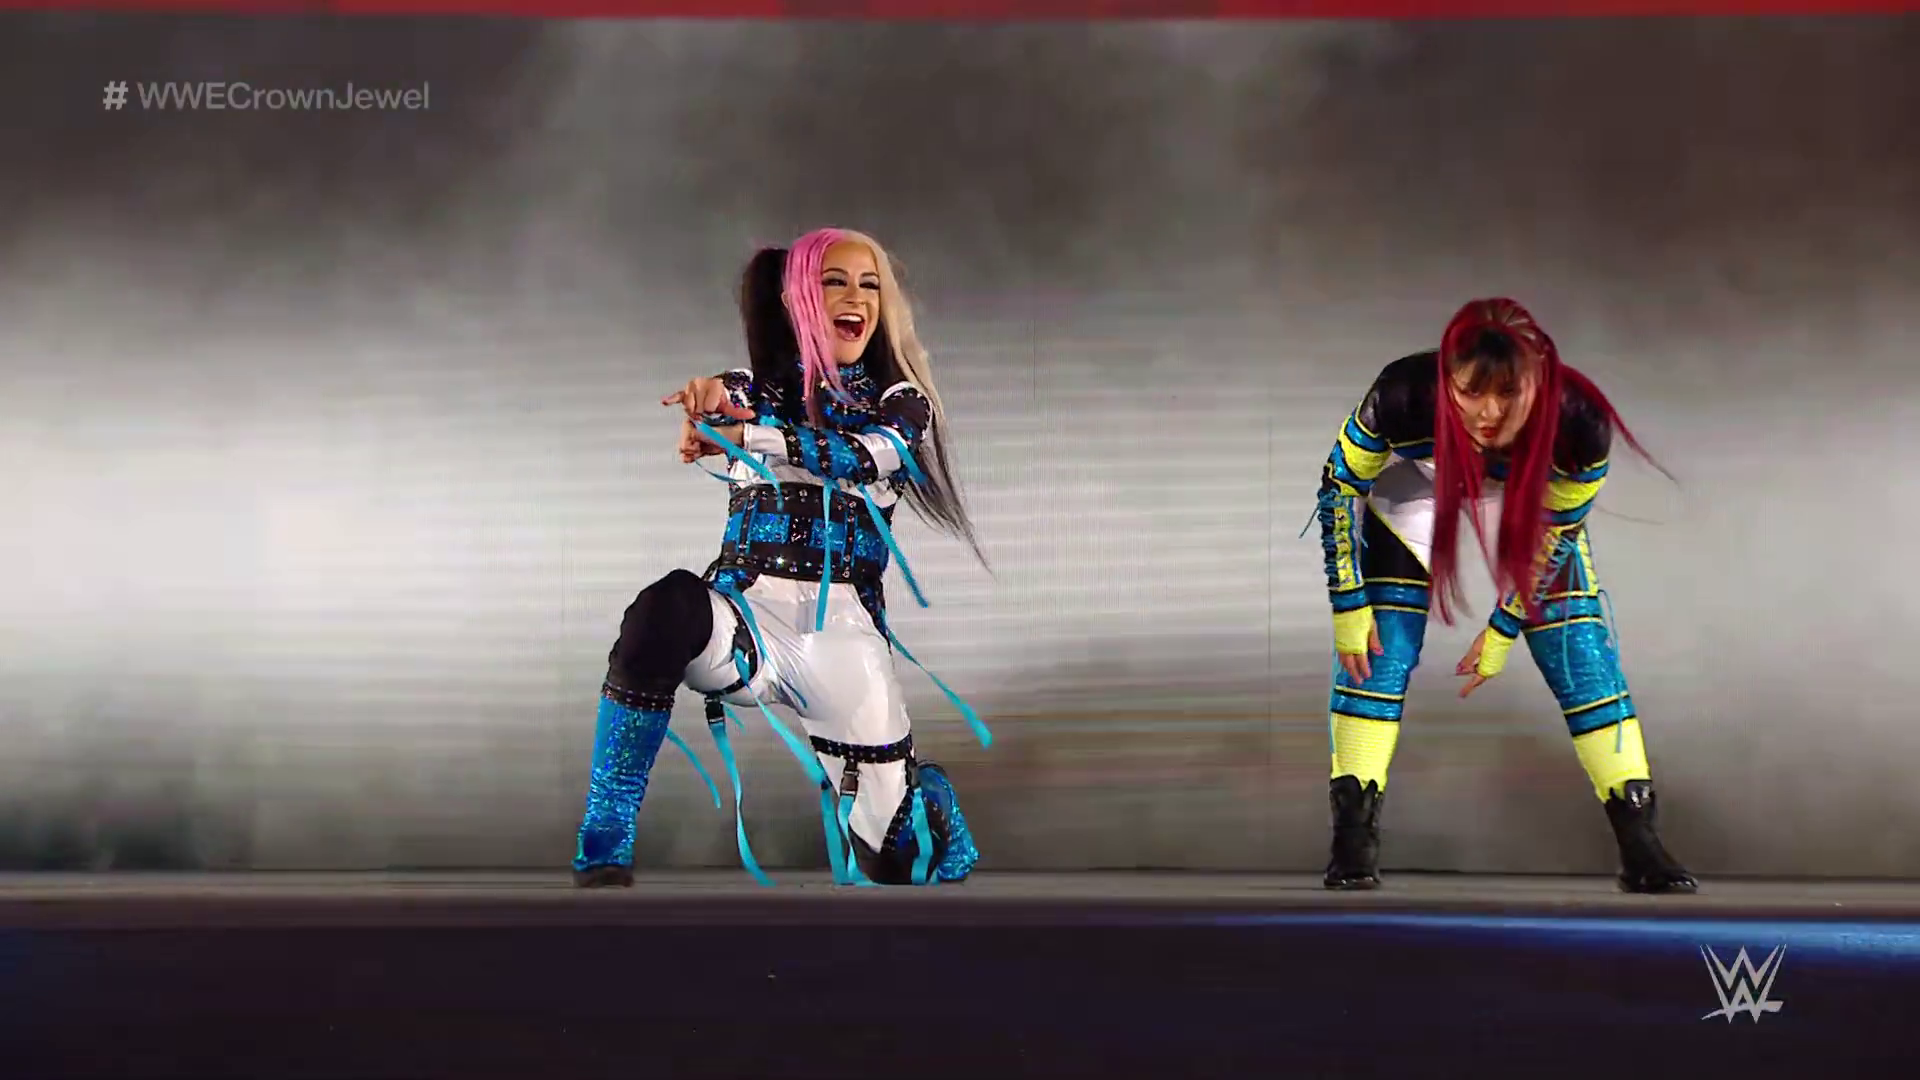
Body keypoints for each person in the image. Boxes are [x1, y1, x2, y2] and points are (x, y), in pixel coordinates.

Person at [572, 227, 990, 889]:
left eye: (869, 285)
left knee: (891, 862)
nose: (856, 298)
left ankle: (924, 795)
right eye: (834, 281)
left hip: (844, 639)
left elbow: (865, 455)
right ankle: (606, 832)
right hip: (746, 617)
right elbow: (723, 400)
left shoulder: (902, 403)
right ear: (796, 298)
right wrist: (708, 407)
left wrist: (752, 437)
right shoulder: (755, 390)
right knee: (663, 609)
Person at [1313, 297, 1696, 894]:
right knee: (1378, 651)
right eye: (1470, 392)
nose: (1488, 413)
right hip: (1413, 484)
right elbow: (1340, 484)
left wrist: (1501, 629)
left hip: (1529, 495)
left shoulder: (1579, 423)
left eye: (1509, 393)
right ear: (1445, 380)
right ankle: (1353, 836)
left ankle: (1639, 837)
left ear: (1539, 384)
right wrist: (1349, 604)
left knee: (1579, 649)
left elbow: (1555, 537)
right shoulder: (1401, 395)